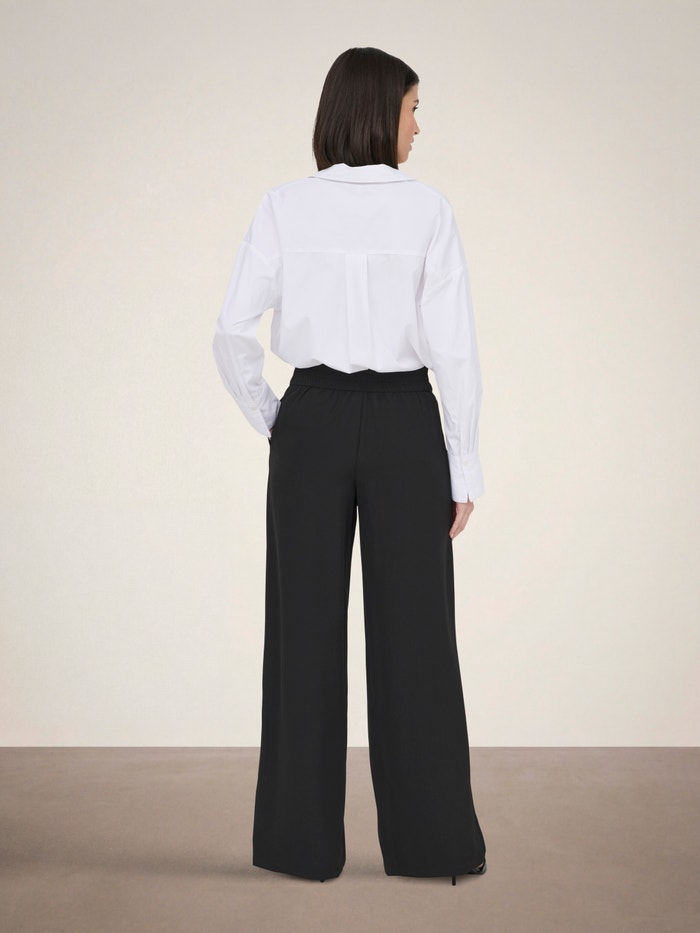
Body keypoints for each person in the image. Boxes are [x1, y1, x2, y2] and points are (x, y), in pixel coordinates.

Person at [212, 46, 487, 885]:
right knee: (419, 638)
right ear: (376, 111)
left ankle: (299, 846)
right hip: (407, 424)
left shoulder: (284, 206)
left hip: (313, 419)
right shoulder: (429, 211)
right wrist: (463, 462)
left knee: (301, 633)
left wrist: (278, 419)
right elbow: (455, 349)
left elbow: (231, 332)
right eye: (412, 107)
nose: (419, 126)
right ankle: (432, 845)